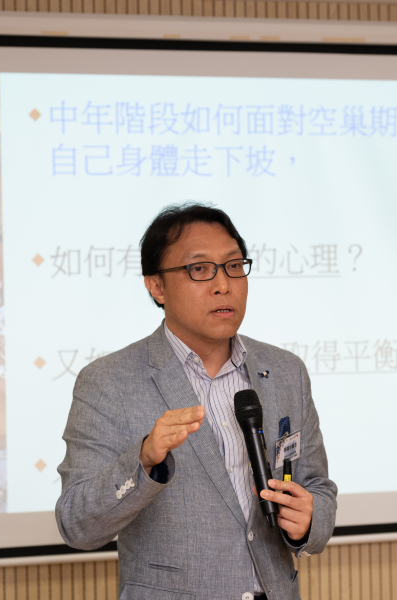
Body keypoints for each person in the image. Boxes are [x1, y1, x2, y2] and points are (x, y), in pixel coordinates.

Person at [56, 203, 337, 600]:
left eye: (234, 266)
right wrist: (143, 461)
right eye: (199, 269)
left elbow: (317, 487)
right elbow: (76, 525)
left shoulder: (285, 371)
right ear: (156, 286)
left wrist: (308, 522)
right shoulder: (108, 382)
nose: (223, 285)